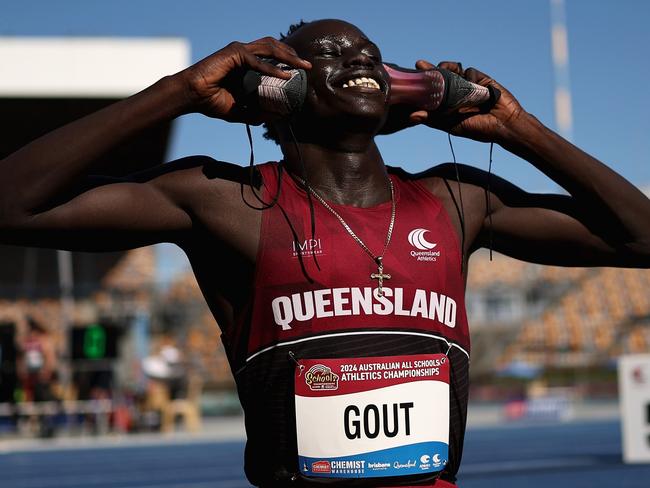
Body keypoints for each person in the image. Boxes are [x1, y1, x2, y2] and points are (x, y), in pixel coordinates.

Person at [0, 17, 648, 487]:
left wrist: (518, 129)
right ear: (280, 93)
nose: (359, 58)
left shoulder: (458, 201)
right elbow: (12, 203)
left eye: (370, 52)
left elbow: (639, 238)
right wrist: (178, 93)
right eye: (332, 54)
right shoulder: (226, 199)